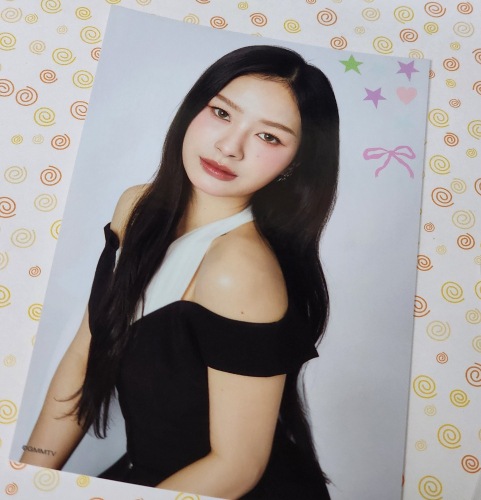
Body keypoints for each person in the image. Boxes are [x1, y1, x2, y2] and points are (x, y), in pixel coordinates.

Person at [20, 45, 340, 499]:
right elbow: (84, 356)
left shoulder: (240, 268)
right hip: (152, 478)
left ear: (296, 162)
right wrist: (25, 479)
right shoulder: (135, 207)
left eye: (269, 137)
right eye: (222, 113)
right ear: (194, 108)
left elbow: (236, 468)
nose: (229, 147)